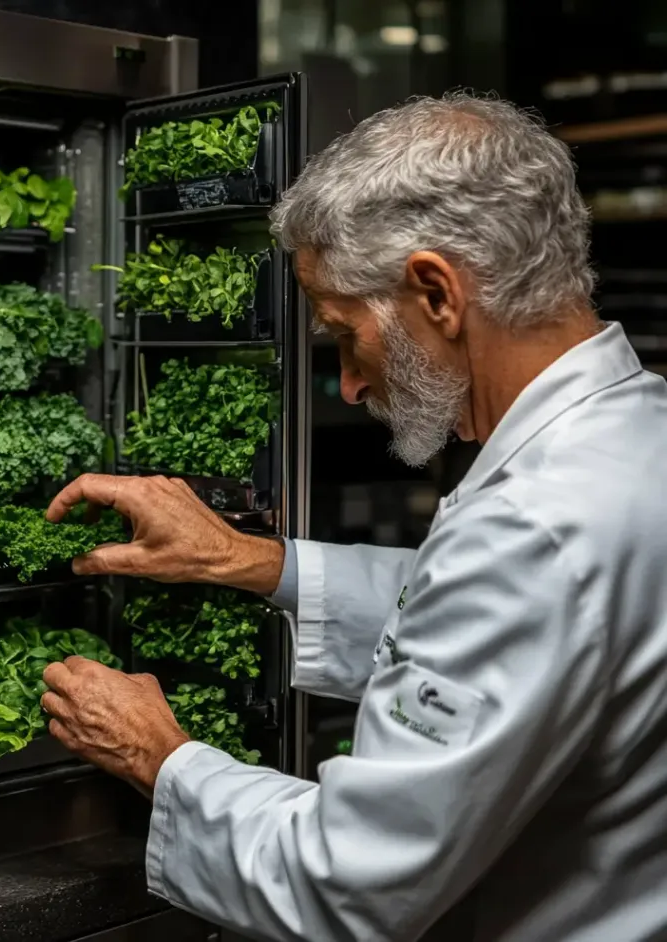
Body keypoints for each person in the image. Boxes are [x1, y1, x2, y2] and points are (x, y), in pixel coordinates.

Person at [39, 92, 667, 942]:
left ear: (436, 292)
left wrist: (158, 753)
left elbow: (350, 886)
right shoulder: (635, 438)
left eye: (344, 333)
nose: (351, 385)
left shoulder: (537, 528)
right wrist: (247, 560)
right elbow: (498, 631)